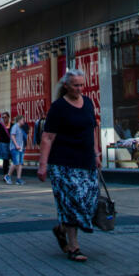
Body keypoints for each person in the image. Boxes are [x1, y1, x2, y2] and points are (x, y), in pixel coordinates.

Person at [37, 69, 101, 263]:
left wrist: (97, 153)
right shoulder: (58, 108)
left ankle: (61, 229)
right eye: (76, 85)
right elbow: (47, 137)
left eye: (82, 85)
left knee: (89, 203)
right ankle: (74, 247)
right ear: (66, 85)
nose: (79, 88)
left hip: (86, 162)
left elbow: (93, 128)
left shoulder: (88, 103)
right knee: (72, 203)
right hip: (63, 164)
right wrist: (42, 165)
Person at [7, 114, 27, 185]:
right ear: (19, 120)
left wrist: (23, 146)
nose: (24, 122)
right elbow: (12, 136)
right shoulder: (15, 127)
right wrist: (16, 145)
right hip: (15, 148)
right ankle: (8, 176)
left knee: (20, 163)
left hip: (20, 148)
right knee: (16, 162)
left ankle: (18, 178)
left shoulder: (21, 128)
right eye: (23, 120)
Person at [0, 112, 13, 183]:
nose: (4, 119)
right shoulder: (0, 125)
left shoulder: (12, 125)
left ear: (8, 117)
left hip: (11, 143)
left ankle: (9, 174)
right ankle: (5, 175)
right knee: (5, 159)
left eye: (5, 117)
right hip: (3, 143)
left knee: (12, 159)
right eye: (3, 117)